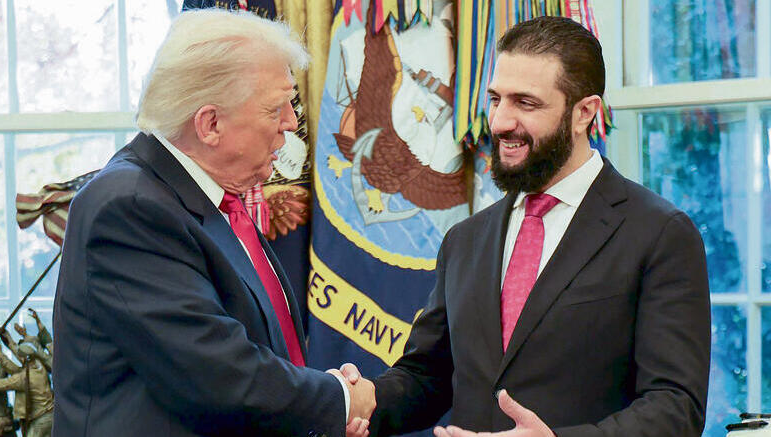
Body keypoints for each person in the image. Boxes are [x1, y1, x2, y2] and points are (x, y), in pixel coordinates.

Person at [342, 16, 711, 437]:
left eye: (525, 103)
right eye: (496, 99)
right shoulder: (465, 240)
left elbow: (675, 408)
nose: (499, 122)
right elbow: (430, 375)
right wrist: (365, 401)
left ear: (584, 113)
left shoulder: (660, 234)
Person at [52, 9, 374, 437]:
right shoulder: (127, 207)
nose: (291, 124)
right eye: (276, 108)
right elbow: (217, 375)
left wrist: (311, 411)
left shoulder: (210, 200)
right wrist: (337, 399)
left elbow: (256, 354)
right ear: (210, 124)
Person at [0, 343, 53, 437]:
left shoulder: (24, 378)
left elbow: (1, 384)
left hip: (40, 421)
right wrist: (7, 342)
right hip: (50, 415)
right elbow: (15, 367)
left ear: (25, 359)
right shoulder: (38, 365)